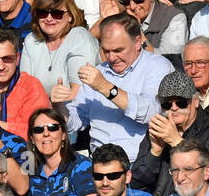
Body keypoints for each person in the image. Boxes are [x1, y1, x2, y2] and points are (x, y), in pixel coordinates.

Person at [58, 13, 174, 161]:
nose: (111, 58)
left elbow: (151, 113)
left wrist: (105, 87)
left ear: (137, 42)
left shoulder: (158, 66)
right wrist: (58, 107)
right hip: (97, 163)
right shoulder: (99, 72)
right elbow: (75, 123)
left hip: (138, 164)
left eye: (118, 50)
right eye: (106, 51)